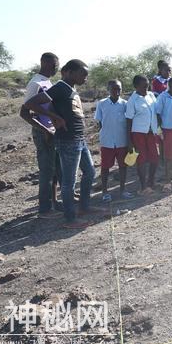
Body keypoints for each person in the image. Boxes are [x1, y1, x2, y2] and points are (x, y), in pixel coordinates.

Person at [24, 59, 106, 229]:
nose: (85, 78)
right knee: (69, 182)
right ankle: (70, 219)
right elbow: (30, 104)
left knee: (90, 172)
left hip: (79, 139)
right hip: (67, 140)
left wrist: (55, 115)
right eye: (82, 74)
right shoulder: (60, 87)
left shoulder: (70, 89)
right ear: (69, 72)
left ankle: (84, 207)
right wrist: (55, 118)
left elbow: (58, 107)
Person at [19, 52, 62, 218]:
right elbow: (24, 112)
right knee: (46, 170)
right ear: (44, 63)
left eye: (56, 65)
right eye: (53, 65)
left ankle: (54, 201)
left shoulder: (47, 81)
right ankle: (44, 209)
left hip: (52, 130)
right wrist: (45, 130)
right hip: (43, 132)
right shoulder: (35, 83)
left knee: (55, 169)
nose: (55, 68)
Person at [94, 80, 132, 201]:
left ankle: (122, 190)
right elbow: (100, 122)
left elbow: (128, 123)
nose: (116, 91)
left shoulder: (125, 104)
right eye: (114, 89)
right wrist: (106, 133)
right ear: (108, 90)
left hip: (122, 141)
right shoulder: (102, 104)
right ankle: (105, 192)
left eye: (119, 89)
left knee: (123, 166)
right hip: (107, 141)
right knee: (105, 167)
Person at [126, 75, 159, 195]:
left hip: (151, 132)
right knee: (142, 160)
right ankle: (143, 186)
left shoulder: (151, 95)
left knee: (155, 158)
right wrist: (129, 141)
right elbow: (128, 120)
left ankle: (151, 182)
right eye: (143, 85)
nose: (146, 87)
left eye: (147, 85)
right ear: (136, 86)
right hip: (138, 133)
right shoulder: (132, 100)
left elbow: (156, 112)